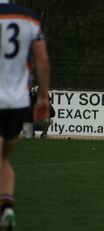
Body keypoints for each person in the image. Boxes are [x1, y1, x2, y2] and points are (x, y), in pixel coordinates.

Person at [0, 1, 50, 230]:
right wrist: (43, 97)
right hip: (17, 101)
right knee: (4, 159)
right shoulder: (29, 18)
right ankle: (7, 207)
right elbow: (41, 60)